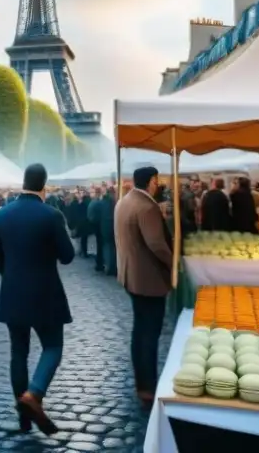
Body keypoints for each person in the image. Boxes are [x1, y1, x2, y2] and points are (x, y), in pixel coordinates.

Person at [0, 163, 74, 435]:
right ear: (44, 186)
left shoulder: (1, 214)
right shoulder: (51, 215)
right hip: (46, 292)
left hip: (13, 292)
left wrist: (9, 273)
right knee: (52, 347)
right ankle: (33, 395)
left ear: (23, 182)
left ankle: (23, 420)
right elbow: (68, 255)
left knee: (18, 353)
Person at [114, 166, 173, 407]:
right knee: (149, 333)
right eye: (156, 180)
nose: (158, 184)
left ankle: (142, 382)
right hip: (148, 278)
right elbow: (157, 244)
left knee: (139, 331)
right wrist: (174, 263)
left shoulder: (125, 201)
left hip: (131, 276)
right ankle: (148, 385)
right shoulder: (147, 206)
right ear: (151, 181)